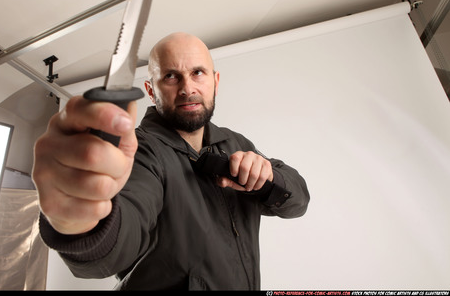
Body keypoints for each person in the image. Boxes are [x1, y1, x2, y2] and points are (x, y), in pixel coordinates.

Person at [32, 32, 310, 290]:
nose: (187, 88)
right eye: (171, 77)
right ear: (151, 90)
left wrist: (268, 178)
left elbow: (297, 201)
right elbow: (117, 241)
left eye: (198, 73)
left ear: (215, 81)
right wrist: (82, 220)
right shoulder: (140, 152)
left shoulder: (235, 143)